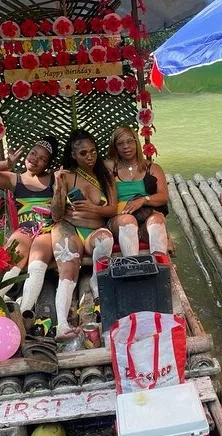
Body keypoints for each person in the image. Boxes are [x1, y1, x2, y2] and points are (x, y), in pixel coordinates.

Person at [0, 137, 58, 313]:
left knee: (37, 263)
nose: (35, 159)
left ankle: (24, 312)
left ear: (48, 165)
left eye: (42, 158)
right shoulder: (15, 179)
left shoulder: (54, 179)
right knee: (14, 256)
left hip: (46, 230)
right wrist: (6, 164)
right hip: (24, 230)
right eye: (33, 153)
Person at [50, 129, 117, 340]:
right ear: (73, 155)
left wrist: (93, 208)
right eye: (83, 153)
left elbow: (113, 209)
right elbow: (56, 215)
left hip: (94, 229)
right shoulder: (66, 176)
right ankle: (62, 325)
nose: (90, 157)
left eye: (93, 151)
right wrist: (58, 189)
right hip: (69, 227)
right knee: (68, 264)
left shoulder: (105, 175)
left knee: (105, 240)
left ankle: (96, 284)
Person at [105, 125, 169, 257]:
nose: (126, 146)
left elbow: (163, 196)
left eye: (130, 141)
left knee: (157, 221)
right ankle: (132, 263)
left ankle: (160, 263)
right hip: (120, 217)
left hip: (145, 215)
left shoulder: (152, 168)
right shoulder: (110, 167)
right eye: (120, 143)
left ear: (136, 143)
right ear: (115, 147)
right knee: (128, 221)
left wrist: (143, 200)